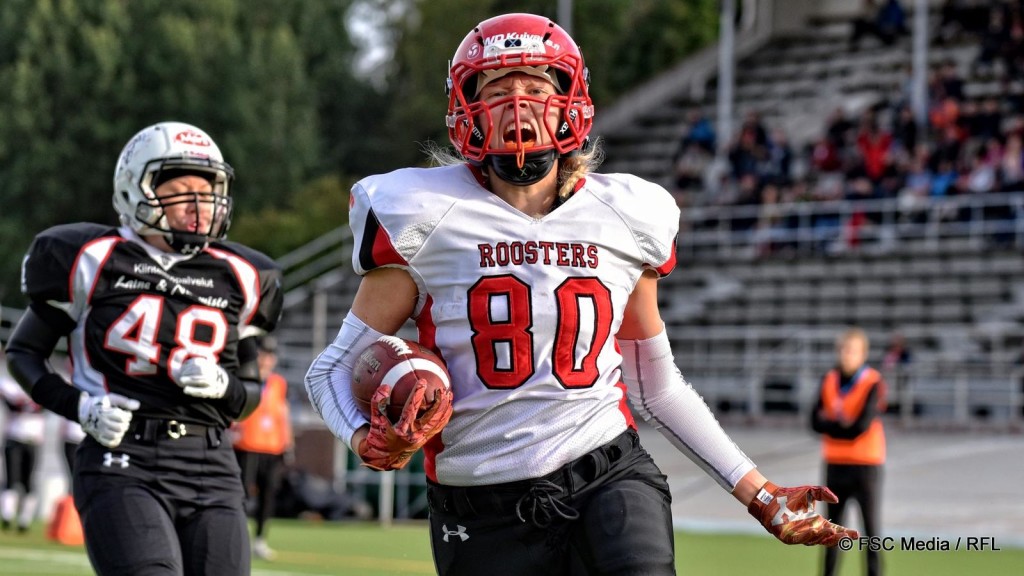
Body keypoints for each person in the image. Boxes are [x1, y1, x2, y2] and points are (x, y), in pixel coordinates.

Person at [304, 13, 858, 576]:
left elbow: (655, 386)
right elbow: (329, 370)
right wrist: (361, 436)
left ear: (571, 100)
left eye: (536, 88)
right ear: (465, 110)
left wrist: (758, 493)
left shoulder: (625, 214)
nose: (517, 104)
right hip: (481, 502)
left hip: (606, 474)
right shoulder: (422, 213)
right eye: (497, 90)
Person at [4, 121, 283, 576]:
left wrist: (222, 385)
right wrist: (81, 408)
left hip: (212, 465)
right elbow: (23, 354)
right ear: (137, 189)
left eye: (208, 188)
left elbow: (249, 394)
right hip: (122, 457)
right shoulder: (90, 258)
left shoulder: (245, 275)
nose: (200, 203)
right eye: (182, 188)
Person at [811, 328, 888, 576]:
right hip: (835, 464)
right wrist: (840, 427)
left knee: (871, 533)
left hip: (866, 465)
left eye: (852, 351)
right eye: (843, 350)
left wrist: (832, 427)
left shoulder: (872, 381)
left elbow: (861, 426)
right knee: (831, 532)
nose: (847, 355)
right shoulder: (829, 379)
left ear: (863, 354)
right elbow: (813, 421)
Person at [232, 335, 293, 561]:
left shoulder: (278, 383)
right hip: (247, 445)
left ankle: (259, 540)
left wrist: (288, 442)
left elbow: (282, 412)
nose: (266, 360)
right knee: (242, 494)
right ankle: (238, 537)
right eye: (262, 354)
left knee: (268, 497)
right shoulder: (246, 378)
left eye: (269, 355)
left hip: (272, 447)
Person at [0, 364, 45, 533]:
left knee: (28, 481)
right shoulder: (9, 386)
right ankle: (7, 516)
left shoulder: (41, 387)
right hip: (14, 437)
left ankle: (24, 521)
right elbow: (14, 402)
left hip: (33, 440)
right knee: (11, 479)